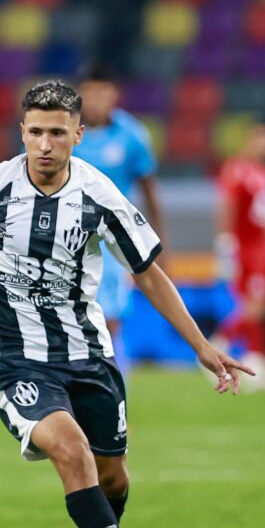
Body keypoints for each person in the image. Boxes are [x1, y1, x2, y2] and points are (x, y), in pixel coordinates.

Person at [0, 81, 253, 528]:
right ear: (21, 132)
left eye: (56, 132)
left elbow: (148, 274)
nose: (45, 144)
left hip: (88, 355)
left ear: (79, 134)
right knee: (70, 451)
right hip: (13, 357)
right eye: (34, 132)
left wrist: (201, 346)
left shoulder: (99, 193)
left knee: (113, 477)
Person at [74, 63, 165, 368]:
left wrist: (158, 245)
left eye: (103, 92)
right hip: (66, 238)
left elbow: (150, 192)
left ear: (114, 94)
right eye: (91, 92)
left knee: (110, 322)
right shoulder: (63, 132)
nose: (97, 99)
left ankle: (114, 404)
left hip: (111, 241)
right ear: (81, 94)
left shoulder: (131, 135)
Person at [213, 122, 265, 391]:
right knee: (253, 304)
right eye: (263, 140)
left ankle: (257, 359)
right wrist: (225, 241)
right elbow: (226, 206)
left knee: (262, 305)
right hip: (245, 246)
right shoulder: (236, 169)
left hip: (262, 247)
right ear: (251, 140)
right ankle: (219, 342)